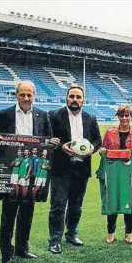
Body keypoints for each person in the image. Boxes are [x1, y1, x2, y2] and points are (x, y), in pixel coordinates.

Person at [0, 80, 60, 263]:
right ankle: (6, 254)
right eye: (23, 94)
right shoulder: (4, 115)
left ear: (34, 95)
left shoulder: (43, 116)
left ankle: (22, 249)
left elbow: (49, 141)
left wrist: (54, 143)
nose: (26, 98)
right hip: (12, 172)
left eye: (29, 95)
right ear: (16, 94)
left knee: (27, 213)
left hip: (33, 172)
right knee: (8, 214)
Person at [47, 84, 102, 254]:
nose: (75, 100)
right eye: (72, 96)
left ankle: (72, 234)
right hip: (60, 168)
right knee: (58, 205)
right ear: (66, 98)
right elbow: (48, 138)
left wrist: (92, 148)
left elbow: (98, 140)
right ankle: (55, 239)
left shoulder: (90, 118)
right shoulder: (54, 115)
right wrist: (62, 146)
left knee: (76, 205)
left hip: (82, 169)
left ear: (83, 100)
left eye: (78, 97)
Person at [98, 105, 132, 244]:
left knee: (128, 199)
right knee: (112, 199)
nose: (124, 118)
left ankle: (128, 233)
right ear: (117, 116)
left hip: (129, 171)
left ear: (131, 116)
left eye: (127, 115)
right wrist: (103, 150)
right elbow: (104, 148)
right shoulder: (109, 132)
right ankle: (110, 232)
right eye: (121, 115)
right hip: (112, 170)